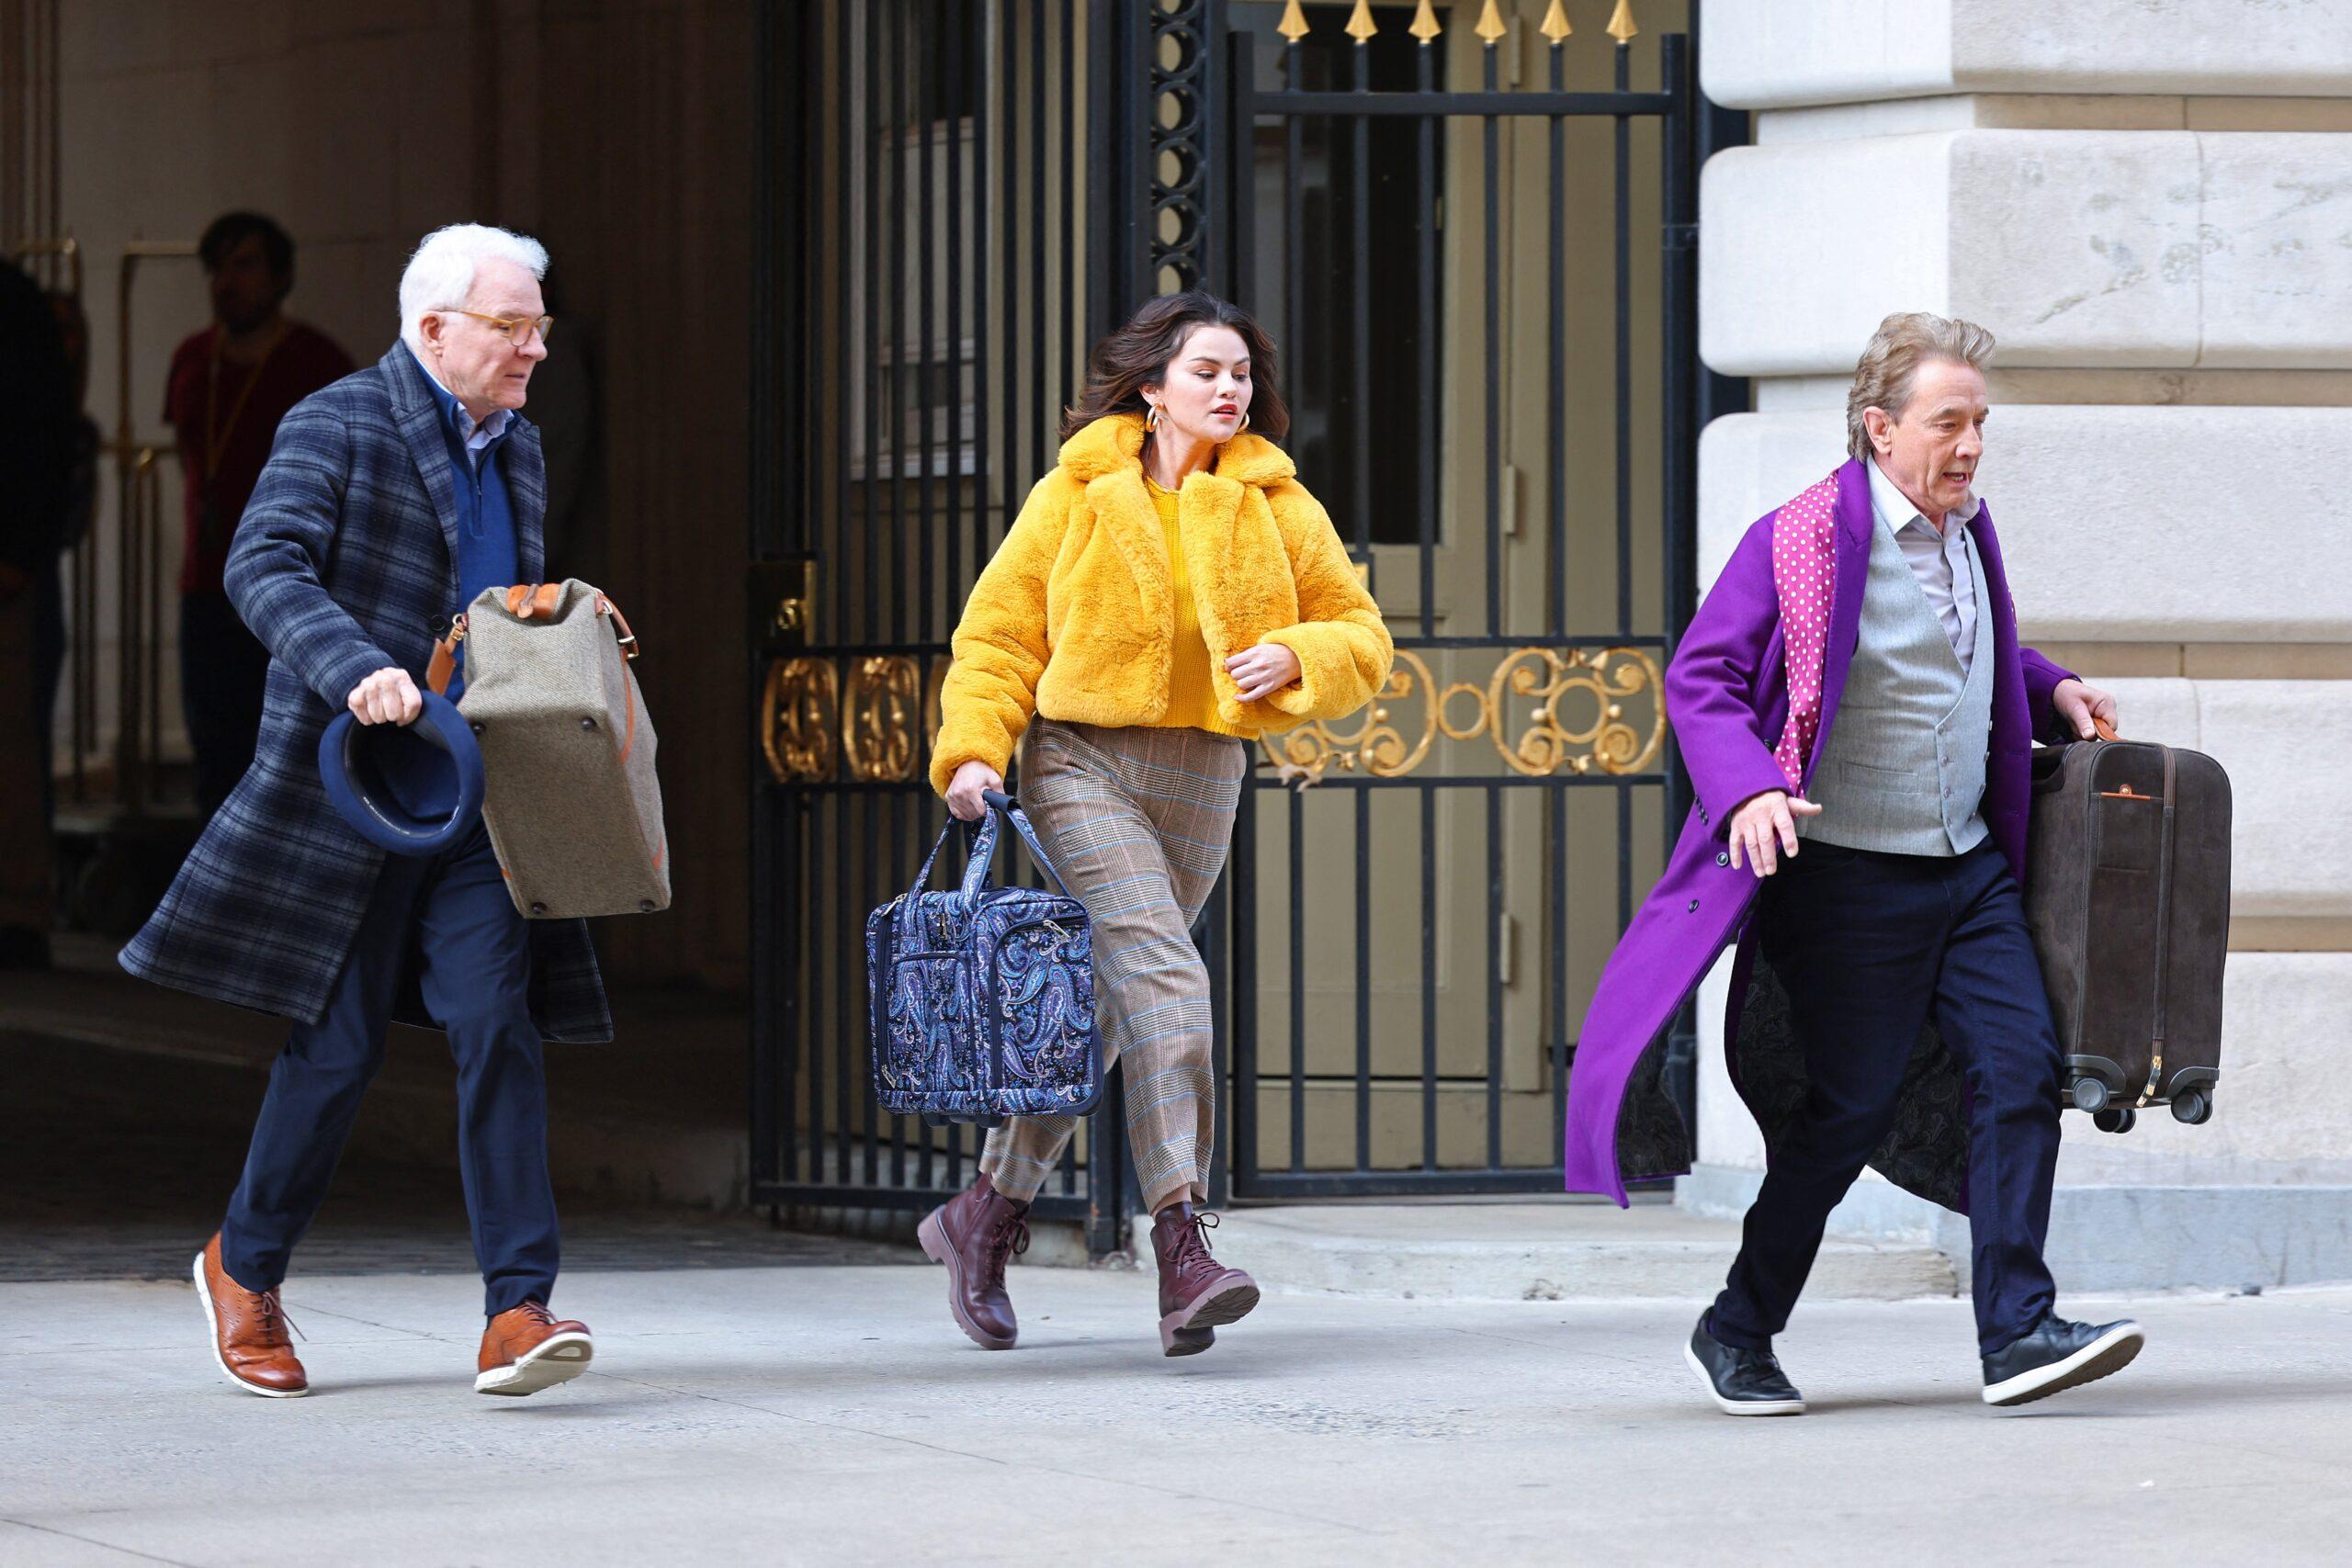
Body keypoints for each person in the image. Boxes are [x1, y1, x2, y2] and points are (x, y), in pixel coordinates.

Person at [1561, 312, 2142, 1414]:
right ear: (1880, 428)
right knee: (1842, 1115)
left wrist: (2050, 686)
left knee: (2021, 1074)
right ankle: (1737, 1326)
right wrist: (1751, 788)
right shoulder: (1796, 540)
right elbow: (1703, 677)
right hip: (1849, 875)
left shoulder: (1967, 532)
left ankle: (2017, 1331)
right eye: (1947, 423)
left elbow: (1969, 651)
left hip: (1967, 868)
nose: (1969, 445)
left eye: (1979, 423)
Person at [121, 223, 607, 1399]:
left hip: (478, 798)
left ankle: (516, 1308)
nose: (535, 348)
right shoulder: (335, 420)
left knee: (498, 1023)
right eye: (513, 326)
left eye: (540, 326)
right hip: (354, 792)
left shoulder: (522, 450)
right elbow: (262, 564)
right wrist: (353, 667)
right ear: (434, 327)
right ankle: (243, 1264)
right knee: (333, 1050)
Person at [924, 290, 1392, 1356]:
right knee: (1169, 983)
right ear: (1152, 388)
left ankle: (982, 1217)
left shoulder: (1276, 503)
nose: (1229, 390)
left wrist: (1299, 658)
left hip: (1203, 771)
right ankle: (1183, 1240)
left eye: (1239, 374)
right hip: (1081, 761)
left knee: (1103, 1006)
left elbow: (1361, 634)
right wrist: (970, 752)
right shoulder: (1078, 494)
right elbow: (998, 635)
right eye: (1206, 373)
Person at [164, 211, 354, 816]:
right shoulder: (194, 359)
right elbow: (189, 460)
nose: (226, 281)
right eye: (217, 267)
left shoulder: (317, 362)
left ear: (280, 277)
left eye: (244, 265)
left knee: (282, 756)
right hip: (207, 584)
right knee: (213, 753)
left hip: (288, 587)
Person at [0, 255, 77, 969]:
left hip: (7, 561)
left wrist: (22, 549)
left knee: (13, 741)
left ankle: (19, 907)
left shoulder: (14, 305)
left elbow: (41, 435)